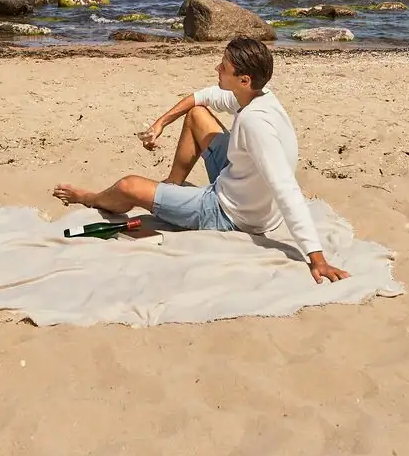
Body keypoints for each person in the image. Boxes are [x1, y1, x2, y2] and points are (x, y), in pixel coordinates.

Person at [52, 38, 348, 283]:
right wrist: (160, 123)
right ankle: (172, 187)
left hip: (231, 213)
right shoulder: (259, 96)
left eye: (224, 67)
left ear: (244, 79)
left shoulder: (256, 125)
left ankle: (91, 198)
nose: (217, 68)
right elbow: (200, 98)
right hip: (242, 183)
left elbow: (286, 188)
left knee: (129, 186)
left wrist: (316, 257)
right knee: (196, 115)